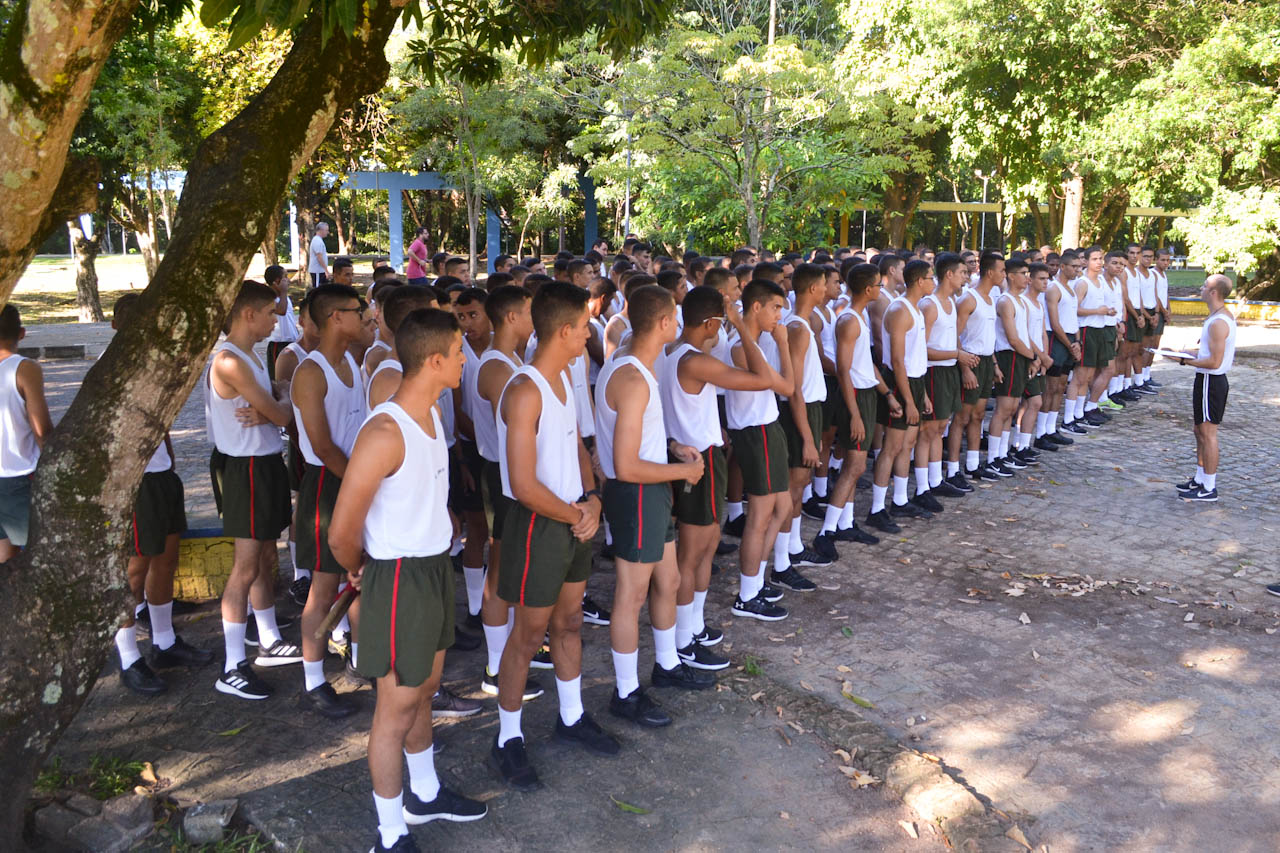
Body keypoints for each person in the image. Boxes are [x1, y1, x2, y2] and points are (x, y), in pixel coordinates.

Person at [329, 308, 487, 853]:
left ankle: (424, 792)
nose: (467, 360)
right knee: (393, 711)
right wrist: (360, 565)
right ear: (436, 360)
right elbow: (341, 533)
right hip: (397, 577)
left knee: (422, 692)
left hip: (433, 569)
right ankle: (390, 834)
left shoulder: (431, 416)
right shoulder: (384, 430)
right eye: (460, 352)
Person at [491, 281, 610, 790]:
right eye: (584, 327)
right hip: (539, 523)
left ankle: (571, 715)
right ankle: (508, 738)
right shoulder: (524, 389)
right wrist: (574, 512)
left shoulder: (566, 376)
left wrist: (593, 498)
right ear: (564, 330)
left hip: (571, 518)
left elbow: (578, 447)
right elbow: (521, 484)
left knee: (568, 623)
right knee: (527, 635)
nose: (589, 334)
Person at [595, 285, 711, 728]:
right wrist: (681, 473)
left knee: (670, 577)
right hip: (637, 494)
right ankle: (625, 693)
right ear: (664, 323)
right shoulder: (631, 376)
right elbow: (624, 465)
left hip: (650, 490)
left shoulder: (633, 365)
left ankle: (666, 664)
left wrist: (670, 447)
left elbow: (634, 438)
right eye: (675, 317)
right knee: (632, 595)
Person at [662, 285, 778, 667]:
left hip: (697, 452)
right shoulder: (695, 360)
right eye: (720, 323)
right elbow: (764, 378)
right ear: (712, 322)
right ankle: (682, 638)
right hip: (700, 459)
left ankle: (692, 626)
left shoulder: (672, 352)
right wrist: (743, 327)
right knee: (693, 553)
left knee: (706, 547)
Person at [110, 295, 212, 695]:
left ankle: (165, 641)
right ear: (117, 326)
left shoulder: (154, 365)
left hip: (162, 474)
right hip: (136, 483)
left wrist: (167, 461)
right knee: (136, 569)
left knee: (166, 559)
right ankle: (128, 657)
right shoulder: (113, 370)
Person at [206, 282, 300, 700]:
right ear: (248, 315)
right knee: (245, 566)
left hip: (262, 464)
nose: (276, 321)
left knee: (264, 554)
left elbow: (280, 404)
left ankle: (268, 639)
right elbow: (283, 411)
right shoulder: (229, 361)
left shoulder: (249, 356)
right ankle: (231, 665)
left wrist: (275, 408)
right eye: (269, 313)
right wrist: (276, 409)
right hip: (243, 468)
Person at [291, 283, 368, 718]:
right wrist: (360, 481)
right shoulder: (311, 371)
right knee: (322, 590)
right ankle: (313, 681)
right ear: (335, 317)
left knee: (358, 580)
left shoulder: (352, 362)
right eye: (357, 310)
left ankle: (362, 660)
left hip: (353, 480)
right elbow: (322, 446)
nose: (365, 315)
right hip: (328, 485)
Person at [724, 279, 795, 621]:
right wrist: (783, 346)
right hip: (755, 432)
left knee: (782, 508)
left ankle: (756, 579)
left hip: (768, 428)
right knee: (761, 514)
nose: (779, 315)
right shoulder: (741, 345)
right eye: (776, 307)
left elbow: (786, 388)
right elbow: (786, 386)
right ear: (756, 307)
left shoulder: (755, 342)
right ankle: (747, 594)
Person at [821, 263, 894, 547]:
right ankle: (828, 530)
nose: (881, 289)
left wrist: (887, 394)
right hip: (854, 395)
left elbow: (866, 365)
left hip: (865, 394)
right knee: (854, 466)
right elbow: (844, 369)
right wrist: (854, 414)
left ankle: (845, 522)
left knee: (855, 464)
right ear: (868, 289)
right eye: (878, 284)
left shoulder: (858, 317)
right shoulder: (850, 320)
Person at [866, 259, 934, 531]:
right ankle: (876, 508)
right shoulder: (900, 310)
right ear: (919, 281)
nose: (933, 282)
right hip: (900, 382)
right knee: (891, 447)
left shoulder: (915, 309)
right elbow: (896, 360)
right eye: (931, 277)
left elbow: (917, 356)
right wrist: (907, 399)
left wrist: (923, 395)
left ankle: (901, 499)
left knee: (907, 444)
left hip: (915, 382)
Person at [778, 263, 833, 574]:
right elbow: (794, 389)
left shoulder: (801, 324)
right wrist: (809, 440)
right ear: (813, 289)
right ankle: (782, 561)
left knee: (799, 486)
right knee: (792, 488)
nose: (826, 290)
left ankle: (794, 547)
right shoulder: (797, 328)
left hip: (809, 409)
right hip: (799, 410)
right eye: (824, 284)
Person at [1173, 274, 1236, 502]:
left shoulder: (1219, 322)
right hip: (1206, 380)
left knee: (1208, 433)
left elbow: (1214, 362)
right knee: (1199, 430)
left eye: (1204, 286)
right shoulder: (1217, 317)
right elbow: (1208, 355)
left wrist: (1184, 361)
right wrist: (1186, 354)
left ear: (1213, 292)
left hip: (1212, 380)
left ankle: (1209, 487)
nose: (1200, 288)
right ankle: (1200, 479)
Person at [920, 252, 976, 501]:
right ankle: (922, 487)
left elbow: (953, 337)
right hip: (932, 370)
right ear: (949, 274)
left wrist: (960, 359)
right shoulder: (929, 305)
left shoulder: (951, 303)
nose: (967, 276)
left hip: (948, 368)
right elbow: (919, 349)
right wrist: (956, 354)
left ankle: (935, 480)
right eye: (963, 272)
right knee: (928, 430)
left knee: (941, 426)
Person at [0, 305, 50, 565]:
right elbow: (41, 429)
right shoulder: (24, 369)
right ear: (21, 333)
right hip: (17, 476)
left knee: (5, 556)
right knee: (40, 552)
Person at [987, 258, 1037, 475]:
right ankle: (992, 457)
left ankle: (1002, 452)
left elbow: (1025, 334)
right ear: (1011, 275)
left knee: (1013, 407)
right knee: (1003, 408)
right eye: (1023, 273)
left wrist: (1032, 358)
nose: (1027, 277)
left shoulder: (1021, 301)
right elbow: (1013, 338)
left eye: (1028, 273)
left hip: (1021, 356)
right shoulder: (1005, 301)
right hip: (1009, 355)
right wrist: (1033, 356)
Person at [264, 265, 300, 382]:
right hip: (278, 344)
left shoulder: (284, 298)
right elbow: (281, 311)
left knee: (293, 375)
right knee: (278, 378)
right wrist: (284, 292)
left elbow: (289, 317)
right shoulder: (269, 297)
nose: (288, 280)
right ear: (277, 282)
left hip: (290, 341)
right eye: (285, 277)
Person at [308, 223, 330, 287]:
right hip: (317, 271)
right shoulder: (317, 241)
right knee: (317, 290)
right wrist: (326, 270)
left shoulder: (319, 240)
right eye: (326, 230)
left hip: (320, 270)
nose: (327, 232)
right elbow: (319, 257)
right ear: (321, 230)